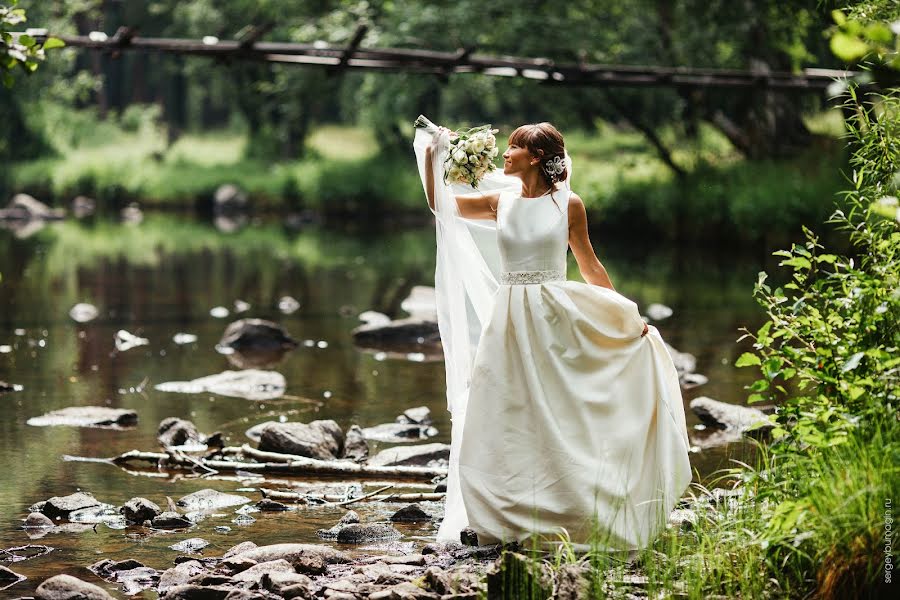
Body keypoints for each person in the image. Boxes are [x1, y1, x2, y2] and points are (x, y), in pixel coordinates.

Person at [413, 120, 692, 549]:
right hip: (507, 319)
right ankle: (502, 516)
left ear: (537, 157)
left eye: (513, 148)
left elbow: (589, 263)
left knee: (559, 412)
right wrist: (435, 152)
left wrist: (625, 315)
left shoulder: (569, 205)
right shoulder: (499, 203)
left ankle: (574, 512)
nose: (504, 154)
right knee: (501, 411)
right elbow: (441, 205)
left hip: (552, 318)